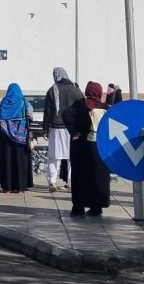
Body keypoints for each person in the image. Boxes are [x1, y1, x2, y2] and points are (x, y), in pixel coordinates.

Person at [63, 81, 111, 217]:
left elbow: (66, 115)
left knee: (80, 175)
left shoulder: (81, 104)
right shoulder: (106, 107)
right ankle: (97, 207)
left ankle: (78, 208)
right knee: (98, 176)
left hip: (83, 145)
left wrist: (75, 131)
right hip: (101, 146)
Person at [0, 83, 33, 193]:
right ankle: (20, 188)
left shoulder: (4, 102)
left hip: (6, 137)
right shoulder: (24, 102)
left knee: (7, 161)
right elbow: (29, 115)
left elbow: (0, 118)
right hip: (21, 137)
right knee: (20, 162)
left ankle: (7, 187)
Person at [42, 68, 79, 191]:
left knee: (54, 156)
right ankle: (71, 181)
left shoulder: (52, 90)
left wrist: (45, 129)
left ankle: (52, 182)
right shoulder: (75, 89)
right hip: (72, 128)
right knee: (72, 156)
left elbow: (47, 112)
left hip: (56, 127)